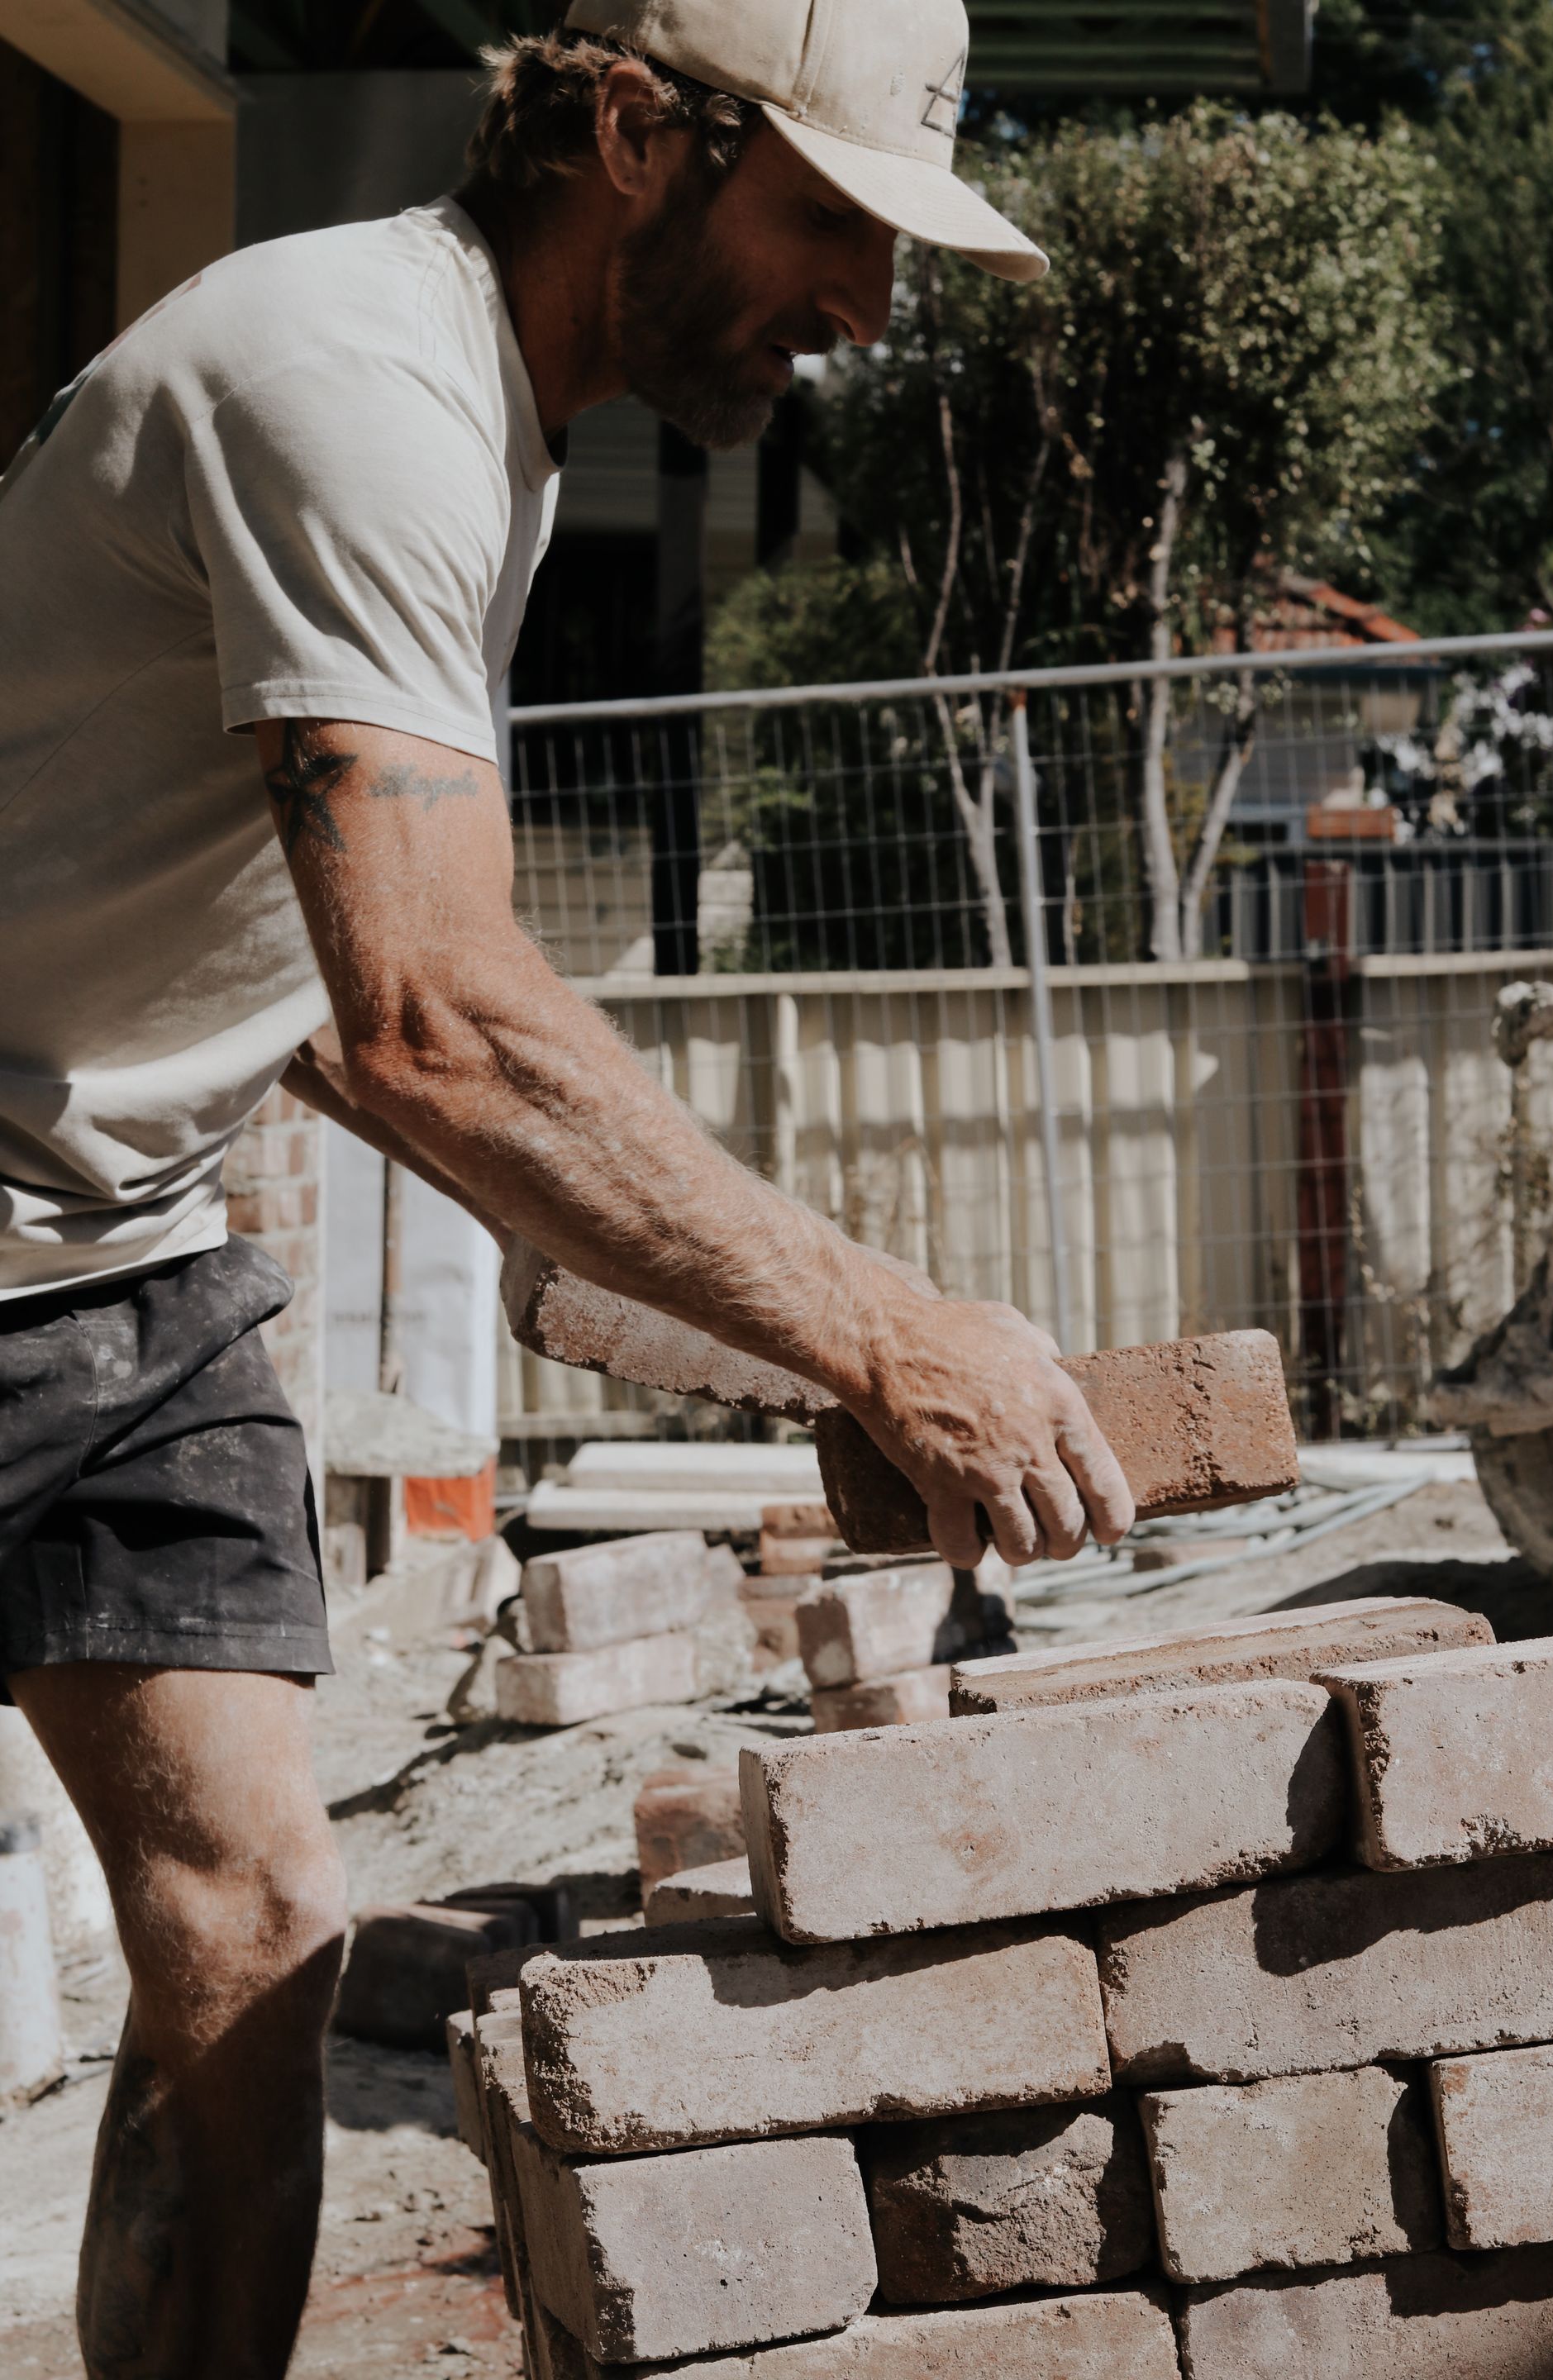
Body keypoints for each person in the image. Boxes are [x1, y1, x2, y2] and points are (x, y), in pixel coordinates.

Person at [0, 1, 1133, 2371]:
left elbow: (301, 967)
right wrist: (888, 1334)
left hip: (119, 1246)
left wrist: (556, 1220)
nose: (867, 311)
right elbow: (437, 999)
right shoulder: (352, 378)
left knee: (263, 1924)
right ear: (633, 129)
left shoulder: (488, 439)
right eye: (829, 222)